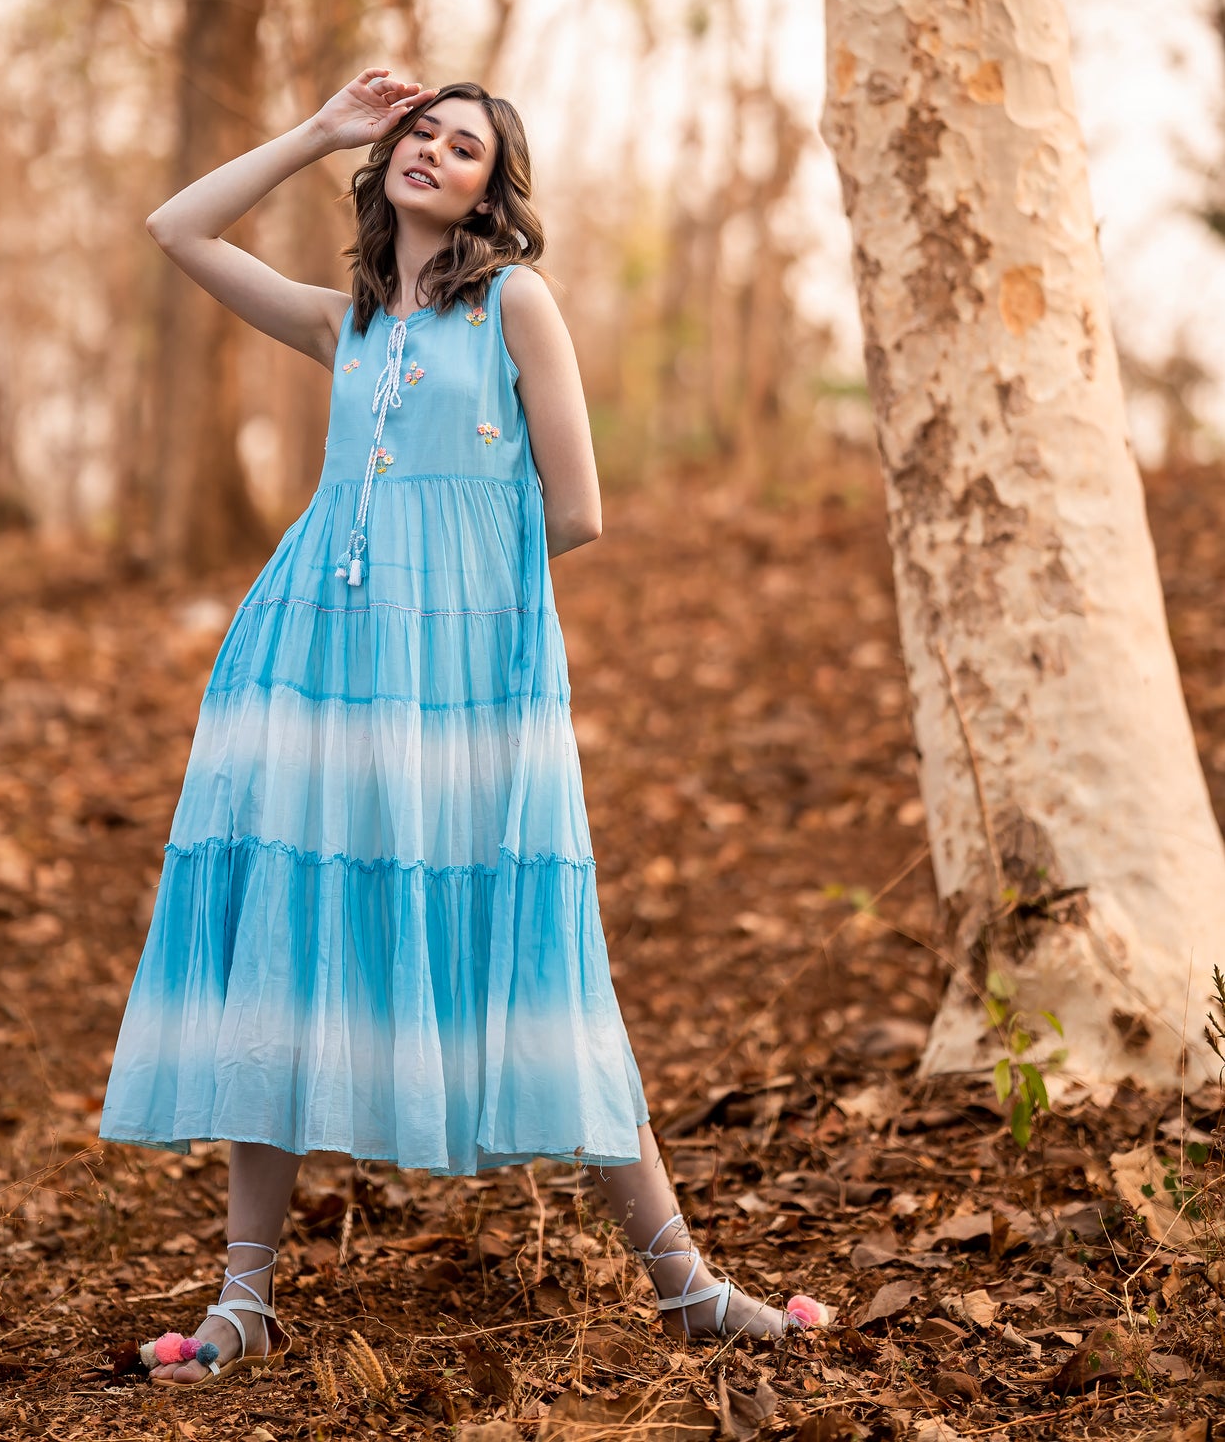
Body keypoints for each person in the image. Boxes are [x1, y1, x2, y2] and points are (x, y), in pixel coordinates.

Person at [100, 68, 830, 1388]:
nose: (431, 152)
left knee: (533, 940)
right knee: (288, 933)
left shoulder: (514, 304)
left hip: (467, 676)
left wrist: (452, 601)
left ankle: (685, 1286)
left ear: (495, 188)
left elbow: (578, 507)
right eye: (416, 134)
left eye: (463, 145)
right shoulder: (346, 327)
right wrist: (320, 129)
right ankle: (242, 1302)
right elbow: (179, 231)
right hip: (309, 663)